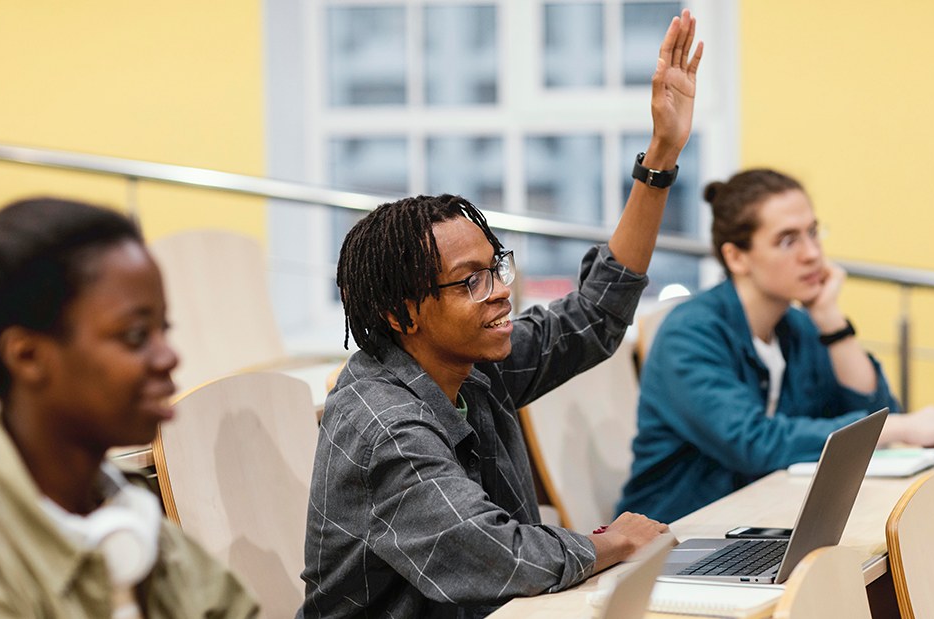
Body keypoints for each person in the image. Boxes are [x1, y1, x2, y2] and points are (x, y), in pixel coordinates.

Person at [297, 10, 702, 619]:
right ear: (401, 313)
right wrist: (613, 542)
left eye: (497, 267)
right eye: (470, 281)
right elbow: (496, 555)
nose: (499, 292)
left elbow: (596, 315)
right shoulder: (383, 426)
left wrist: (661, 156)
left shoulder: (471, 364)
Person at [617, 169, 934, 523]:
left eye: (812, 233)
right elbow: (754, 443)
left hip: (761, 521)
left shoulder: (798, 327)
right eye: (788, 240)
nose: (812, 254)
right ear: (736, 257)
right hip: (675, 535)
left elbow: (878, 413)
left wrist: (831, 322)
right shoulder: (689, 334)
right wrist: (894, 429)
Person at [0, 198, 259, 618]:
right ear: (27, 357)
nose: (169, 356)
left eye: (163, 329)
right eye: (134, 335)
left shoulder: (132, 511)